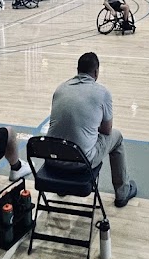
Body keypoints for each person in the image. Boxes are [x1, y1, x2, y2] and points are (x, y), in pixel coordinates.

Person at [48, 52, 137, 207]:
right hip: (81, 162)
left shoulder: (60, 89)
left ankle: (62, 188)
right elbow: (107, 131)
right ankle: (122, 192)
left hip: (52, 159)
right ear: (96, 72)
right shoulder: (102, 93)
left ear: (77, 70)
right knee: (117, 137)